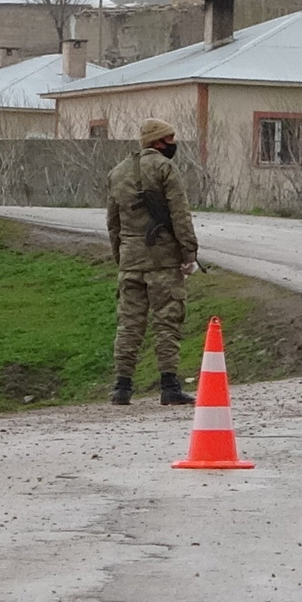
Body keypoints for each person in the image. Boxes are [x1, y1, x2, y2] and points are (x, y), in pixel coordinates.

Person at [106, 118, 199, 406]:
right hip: (163, 260)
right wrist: (189, 253)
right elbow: (180, 215)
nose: (173, 144)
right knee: (167, 322)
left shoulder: (117, 173)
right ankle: (169, 385)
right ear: (158, 142)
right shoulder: (165, 168)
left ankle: (122, 387)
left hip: (131, 262)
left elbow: (113, 223)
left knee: (129, 325)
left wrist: (120, 257)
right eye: (169, 139)